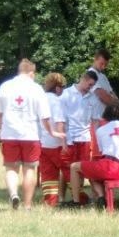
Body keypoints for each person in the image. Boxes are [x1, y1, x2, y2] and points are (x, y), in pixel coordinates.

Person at [0, 58, 60, 210]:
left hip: (9, 134)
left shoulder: (5, 86)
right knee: (29, 169)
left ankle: (13, 194)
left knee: (11, 168)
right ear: (31, 73)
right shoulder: (36, 89)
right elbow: (45, 117)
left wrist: (1, 130)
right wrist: (51, 131)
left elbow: (0, 114)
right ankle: (27, 206)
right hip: (30, 135)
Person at [68, 105, 119, 208]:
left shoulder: (100, 130)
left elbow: (103, 153)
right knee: (92, 172)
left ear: (105, 116)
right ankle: (101, 198)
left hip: (109, 166)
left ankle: (76, 202)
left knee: (74, 167)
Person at [59, 70, 99, 203]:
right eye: (89, 84)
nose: (90, 88)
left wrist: (97, 139)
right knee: (66, 169)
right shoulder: (66, 94)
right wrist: (62, 139)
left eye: (92, 86)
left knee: (81, 168)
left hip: (85, 139)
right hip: (69, 138)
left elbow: (95, 121)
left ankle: (78, 197)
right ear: (83, 79)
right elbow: (60, 119)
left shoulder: (92, 98)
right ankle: (62, 197)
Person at [39, 73, 67, 206]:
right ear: (57, 88)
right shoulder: (57, 101)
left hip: (42, 143)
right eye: (63, 86)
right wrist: (64, 143)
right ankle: (79, 197)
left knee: (47, 173)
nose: (63, 90)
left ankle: (50, 201)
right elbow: (59, 122)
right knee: (68, 170)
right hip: (56, 144)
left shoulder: (40, 99)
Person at [88, 48, 119, 159]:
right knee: (96, 153)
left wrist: (110, 99)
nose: (103, 67)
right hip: (95, 119)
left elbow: (114, 97)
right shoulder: (91, 74)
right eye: (101, 63)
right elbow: (103, 96)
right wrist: (110, 99)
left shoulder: (103, 77)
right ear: (95, 59)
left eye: (105, 64)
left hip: (105, 119)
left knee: (106, 152)